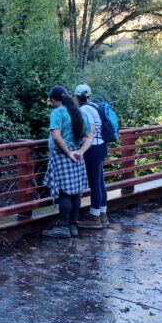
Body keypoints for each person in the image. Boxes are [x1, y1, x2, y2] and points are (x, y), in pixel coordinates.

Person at [42, 85, 94, 238]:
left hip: (63, 155)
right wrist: (81, 151)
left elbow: (57, 137)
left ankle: (63, 227)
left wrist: (68, 153)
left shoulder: (57, 113)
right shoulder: (78, 112)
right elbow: (89, 136)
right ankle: (72, 226)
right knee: (75, 192)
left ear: (53, 99)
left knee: (65, 192)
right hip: (77, 154)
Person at [74, 84, 110, 229]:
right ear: (90, 95)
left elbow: (90, 131)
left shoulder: (84, 110)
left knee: (95, 183)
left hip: (92, 148)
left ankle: (95, 218)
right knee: (100, 182)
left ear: (77, 97)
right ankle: (103, 216)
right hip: (101, 145)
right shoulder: (95, 106)